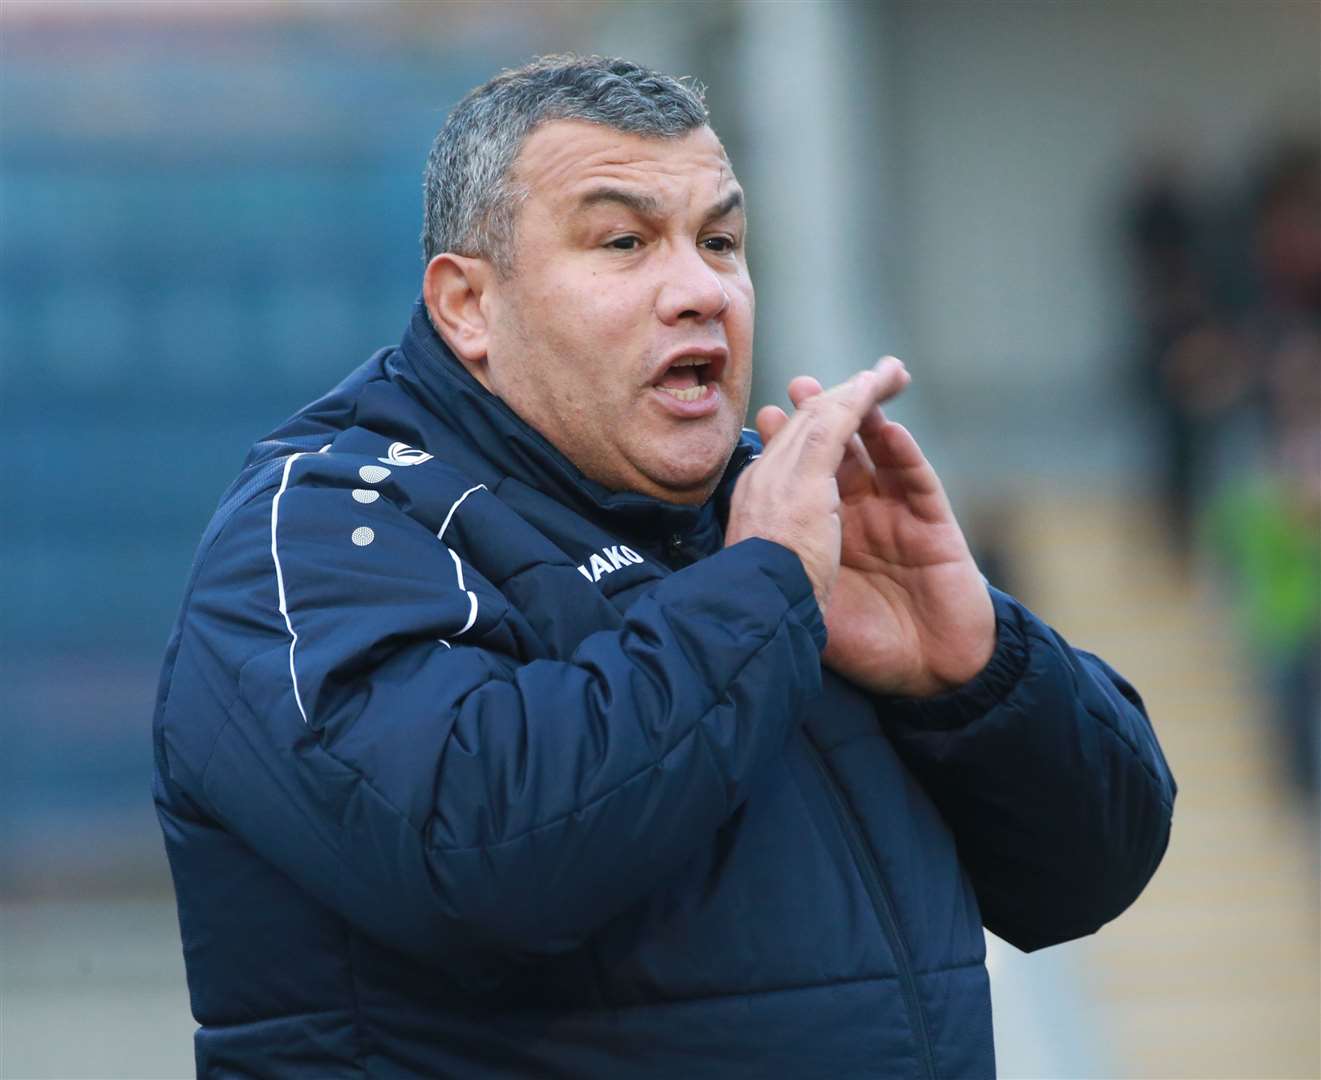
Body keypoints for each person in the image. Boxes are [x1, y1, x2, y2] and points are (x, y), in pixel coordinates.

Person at [153, 55, 1175, 1078]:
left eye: (720, 241)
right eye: (624, 242)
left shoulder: (783, 524)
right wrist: (758, 594)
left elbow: (1088, 875)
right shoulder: (327, 526)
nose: (698, 291)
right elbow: (479, 854)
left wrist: (973, 675)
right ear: (468, 305)